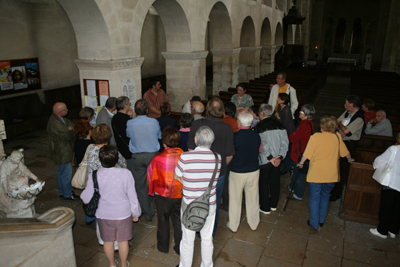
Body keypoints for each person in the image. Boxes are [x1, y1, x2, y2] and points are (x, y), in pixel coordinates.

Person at [81, 145, 141, 267]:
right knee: (123, 241)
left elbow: (85, 197)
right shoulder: (126, 173)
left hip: (104, 214)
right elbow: (132, 197)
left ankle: (112, 264)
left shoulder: (95, 175)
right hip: (123, 213)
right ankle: (124, 264)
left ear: (100, 159)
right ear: (117, 159)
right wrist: (136, 213)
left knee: (108, 241)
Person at [187, 97, 235, 237]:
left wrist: (201, 164)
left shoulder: (197, 123)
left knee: (197, 200)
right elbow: (230, 153)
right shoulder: (227, 128)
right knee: (213, 203)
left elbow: (190, 147)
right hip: (217, 173)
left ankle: (196, 225)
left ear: (207, 109)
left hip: (198, 171)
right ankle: (209, 232)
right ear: (222, 111)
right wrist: (217, 166)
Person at [174, 126, 221, 267]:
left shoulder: (185, 157)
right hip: (209, 204)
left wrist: (186, 181)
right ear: (212, 141)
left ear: (195, 139)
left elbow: (177, 175)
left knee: (187, 239)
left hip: (189, 204)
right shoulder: (217, 158)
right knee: (207, 239)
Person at [298, 116, 353, 230]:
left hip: (316, 174)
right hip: (331, 175)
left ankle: (314, 223)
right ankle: (321, 221)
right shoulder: (337, 137)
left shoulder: (316, 137)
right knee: (325, 197)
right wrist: (350, 159)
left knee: (314, 199)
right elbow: (345, 153)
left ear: (323, 126)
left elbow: (307, 153)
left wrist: (301, 163)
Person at [147, 127, 183, 254]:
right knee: (178, 221)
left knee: (162, 220)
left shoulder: (157, 158)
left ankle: (163, 247)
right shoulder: (184, 157)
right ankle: (180, 248)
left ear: (163, 142)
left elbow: (151, 177)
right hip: (180, 194)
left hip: (162, 195)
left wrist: (152, 191)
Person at [126, 99, 161, 222]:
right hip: (152, 156)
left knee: (140, 186)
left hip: (138, 156)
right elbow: (159, 136)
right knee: (154, 183)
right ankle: (156, 208)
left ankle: (148, 212)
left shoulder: (130, 123)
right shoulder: (154, 122)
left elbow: (129, 135)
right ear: (147, 110)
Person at [227, 111, 261, 232]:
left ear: (239, 122)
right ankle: (253, 223)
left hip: (238, 172)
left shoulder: (235, 136)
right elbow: (260, 150)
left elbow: (230, 153)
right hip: (253, 170)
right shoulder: (256, 135)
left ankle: (234, 225)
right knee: (253, 197)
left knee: (235, 199)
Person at [254, 104, 288, 214]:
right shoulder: (280, 125)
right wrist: (280, 157)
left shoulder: (259, 126)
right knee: (275, 182)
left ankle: (265, 207)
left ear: (262, 114)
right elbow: (285, 143)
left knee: (263, 183)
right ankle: (273, 204)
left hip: (265, 160)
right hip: (277, 160)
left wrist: (270, 158)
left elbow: (263, 144)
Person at [331, 95, 364, 202]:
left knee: (343, 168)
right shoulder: (347, 113)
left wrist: (340, 126)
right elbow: (336, 122)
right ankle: (333, 188)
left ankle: (337, 192)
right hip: (342, 140)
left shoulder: (359, 117)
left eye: (346, 103)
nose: (344, 105)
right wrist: (340, 126)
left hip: (350, 144)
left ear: (352, 104)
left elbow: (346, 132)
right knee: (336, 166)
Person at [369, 133, 400, 239]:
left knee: (386, 207)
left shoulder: (394, 149)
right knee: (398, 209)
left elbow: (380, 160)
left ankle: (382, 231)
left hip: (391, 183)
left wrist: (375, 164)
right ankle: (393, 230)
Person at [47, 102, 78, 200]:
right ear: (60, 112)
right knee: (66, 174)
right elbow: (69, 136)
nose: (67, 111)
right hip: (63, 151)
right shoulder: (57, 123)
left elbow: (70, 123)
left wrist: (70, 128)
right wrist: (70, 130)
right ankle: (68, 194)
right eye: (65, 110)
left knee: (60, 173)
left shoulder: (56, 118)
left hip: (58, 150)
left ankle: (62, 192)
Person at [288, 105, 315, 200]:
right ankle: (292, 186)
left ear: (306, 115)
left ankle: (299, 194)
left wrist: (292, 133)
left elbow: (293, 138)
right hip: (302, 151)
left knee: (298, 173)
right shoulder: (309, 123)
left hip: (299, 153)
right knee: (295, 171)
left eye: (302, 111)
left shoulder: (304, 126)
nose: (300, 112)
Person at [274, 93, 296, 176]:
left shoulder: (286, 110)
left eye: (279, 98)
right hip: (283, 131)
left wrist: (278, 117)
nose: (277, 99)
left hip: (288, 132)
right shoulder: (280, 107)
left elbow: (285, 125)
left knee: (286, 150)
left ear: (283, 101)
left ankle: (287, 167)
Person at [111, 96, 134, 174]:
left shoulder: (113, 118)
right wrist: (130, 117)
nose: (129, 105)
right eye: (128, 104)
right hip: (128, 151)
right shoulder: (128, 121)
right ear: (125, 106)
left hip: (120, 150)